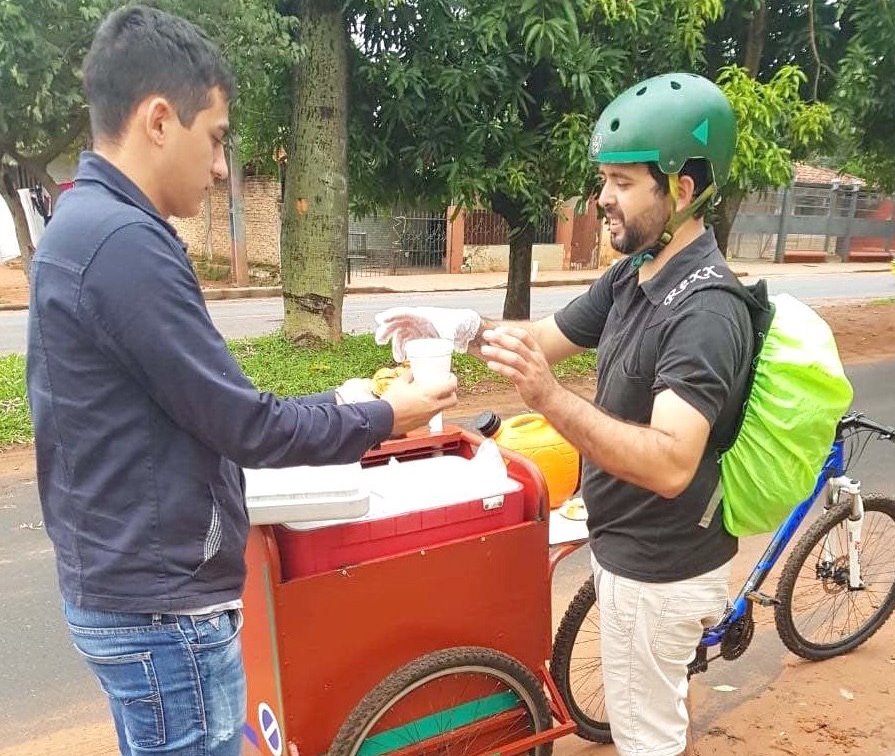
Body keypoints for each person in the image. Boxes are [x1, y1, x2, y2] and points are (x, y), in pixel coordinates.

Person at [26, 6, 456, 755]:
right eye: (216, 139)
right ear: (159, 119)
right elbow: (243, 425)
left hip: (124, 592)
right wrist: (385, 414)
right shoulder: (124, 243)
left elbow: (198, 403)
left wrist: (339, 401)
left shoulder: (80, 225)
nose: (222, 166)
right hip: (163, 614)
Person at [375, 73, 754, 756]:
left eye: (621, 182)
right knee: (651, 722)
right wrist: (457, 329)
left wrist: (551, 400)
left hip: (659, 566)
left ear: (681, 190)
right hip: (625, 549)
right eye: (602, 179)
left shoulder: (704, 310)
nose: (601, 198)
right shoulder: (634, 272)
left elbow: (671, 462)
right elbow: (541, 342)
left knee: (648, 739)